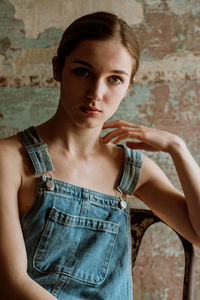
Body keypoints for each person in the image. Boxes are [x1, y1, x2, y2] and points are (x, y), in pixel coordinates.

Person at [0, 11, 200, 300]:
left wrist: (177, 148)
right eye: (83, 71)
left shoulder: (130, 167)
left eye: (115, 79)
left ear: (129, 86)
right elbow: (10, 281)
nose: (96, 92)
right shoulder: (9, 158)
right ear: (58, 69)